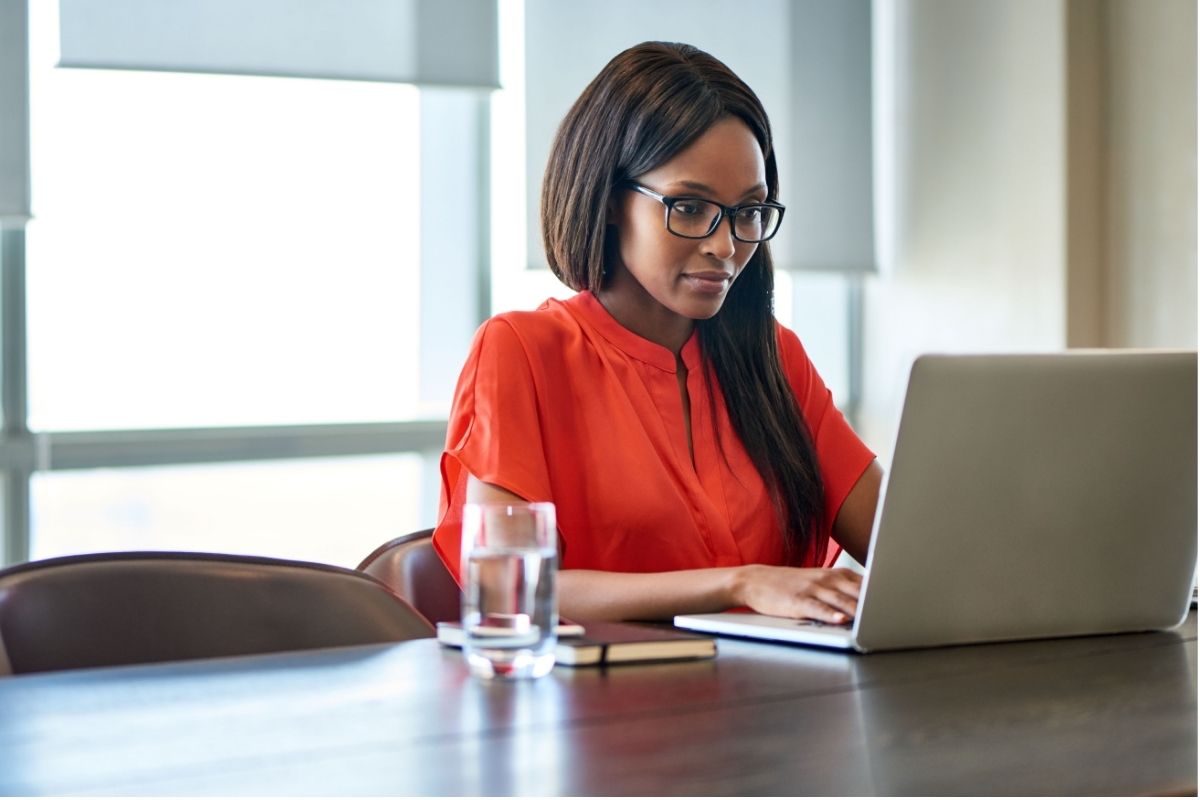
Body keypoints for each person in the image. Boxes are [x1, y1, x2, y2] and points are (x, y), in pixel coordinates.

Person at [431, 41, 883, 624]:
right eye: (690, 208)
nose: (725, 247)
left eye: (749, 212)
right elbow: (508, 592)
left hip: (780, 701)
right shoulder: (521, 351)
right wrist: (739, 584)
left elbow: (910, 549)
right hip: (602, 709)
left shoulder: (774, 357)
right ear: (611, 200)